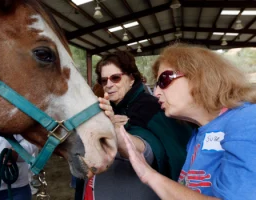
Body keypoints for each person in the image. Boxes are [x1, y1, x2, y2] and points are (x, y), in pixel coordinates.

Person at [110, 44, 256, 199]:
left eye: (164, 80)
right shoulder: (199, 131)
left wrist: (149, 175)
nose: (157, 92)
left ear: (198, 76)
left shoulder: (247, 119)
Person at [75, 51, 192, 200]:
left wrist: (119, 128)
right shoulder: (105, 107)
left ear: (131, 79)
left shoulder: (152, 107)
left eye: (115, 78)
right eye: (104, 80)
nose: (109, 85)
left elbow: (153, 150)